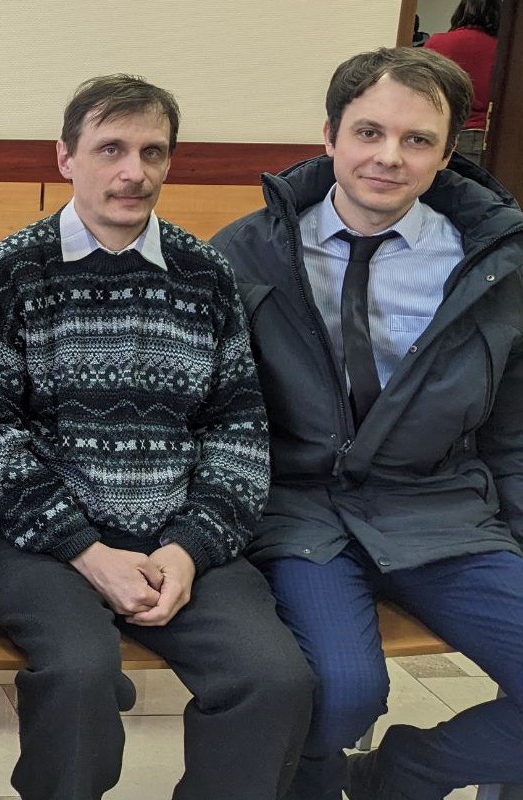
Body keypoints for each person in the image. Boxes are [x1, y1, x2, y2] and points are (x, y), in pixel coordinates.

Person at [0, 74, 316, 800]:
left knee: (273, 679)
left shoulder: (205, 273)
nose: (134, 172)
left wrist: (189, 548)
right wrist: (87, 552)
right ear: (65, 157)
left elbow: (238, 430)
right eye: (111, 149)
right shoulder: (12, 270)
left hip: (177, 532)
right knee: (79, 674)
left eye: (153, 152)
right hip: (42, 539)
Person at [211, 47, 523, 800]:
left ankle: (401, 773)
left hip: (440, 508)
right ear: (329, 135)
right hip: (299, 511)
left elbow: (513, 431)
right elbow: (209, 415)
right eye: (369, 132)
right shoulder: (243, 254)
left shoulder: (494, 267)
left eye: (417, 140)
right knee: (340, 693)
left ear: (446, 155)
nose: (389, 157)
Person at [423, 0, 500, 161]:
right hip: (488, 136)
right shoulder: (502, 50)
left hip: (445, 130)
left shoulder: (437, 43)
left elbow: (421, 89)